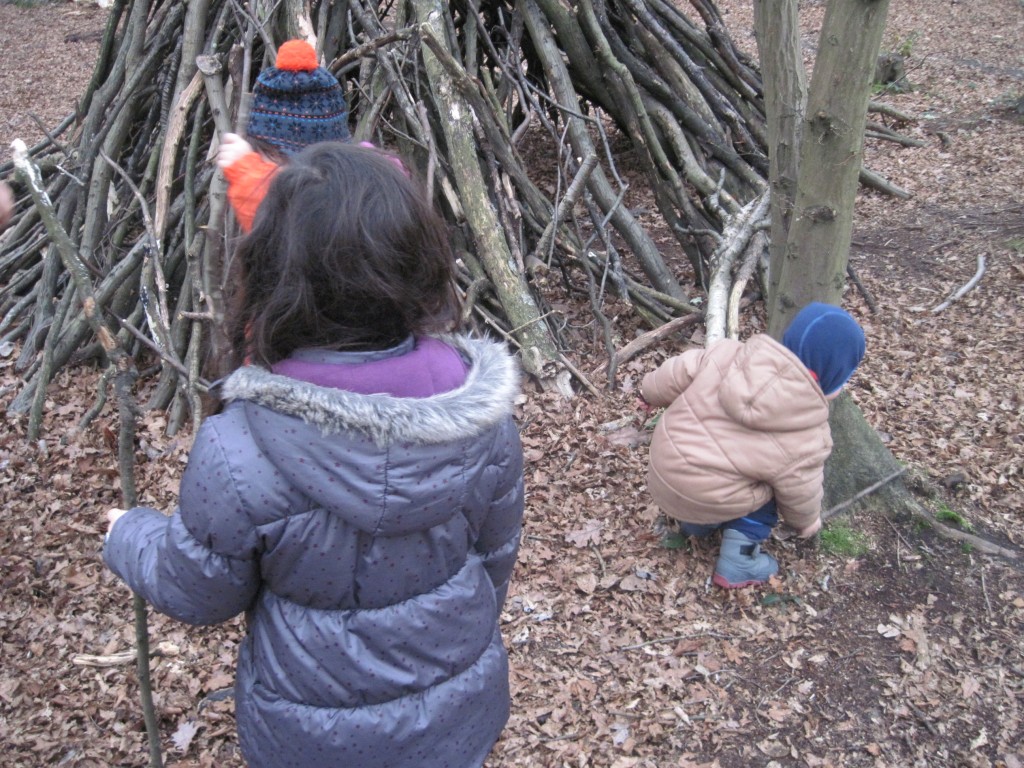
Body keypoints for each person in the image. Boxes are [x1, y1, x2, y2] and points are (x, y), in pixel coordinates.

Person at [103, 142, 525, 768]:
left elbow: (202, 592)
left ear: (272, 275)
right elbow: (493, 559)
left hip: (311, 739)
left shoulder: (239, 448)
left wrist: (128, 535)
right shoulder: (483, 416)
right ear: (419, 261)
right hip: (457, 718)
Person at [640, 302, 866, 589]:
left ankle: (696, 525)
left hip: (663, 471)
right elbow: (801, 489)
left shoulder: (728, 353)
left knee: (713, 469)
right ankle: (739, 562)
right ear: (835, 381)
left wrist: (648, 392)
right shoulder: (809, 433)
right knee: (775, 488)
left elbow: (676, 372)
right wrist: (807, 522)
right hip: (706, 494)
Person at [218, 38, 352, 233]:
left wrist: (246, 173)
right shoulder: (366, 178)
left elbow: (279, 230)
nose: (265, 166)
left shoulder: (329, 201)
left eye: (272, 157)